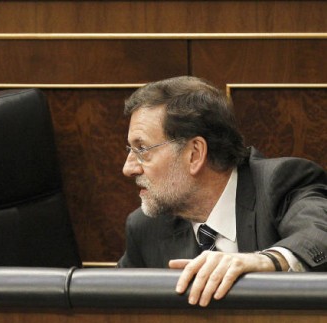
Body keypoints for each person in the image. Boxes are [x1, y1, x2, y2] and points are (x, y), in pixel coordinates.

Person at [117, 76, 326, 307]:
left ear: (194, 153)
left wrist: (267, 261)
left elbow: (319, 234)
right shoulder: (146, 228)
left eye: (142, 149)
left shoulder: (281, 183)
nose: (128, 168)